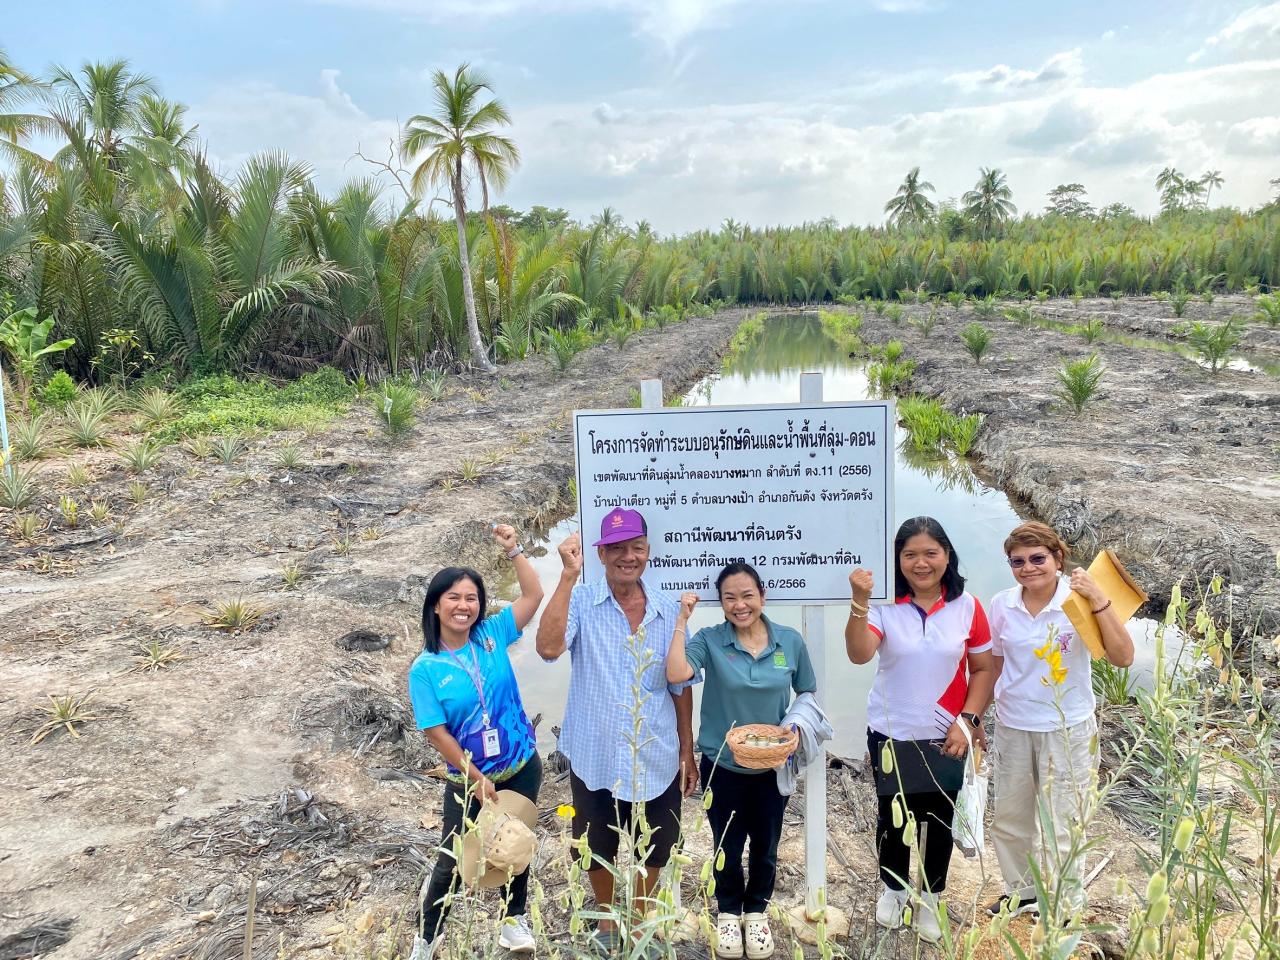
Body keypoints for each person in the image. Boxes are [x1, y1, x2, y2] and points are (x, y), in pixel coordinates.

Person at [535, 508, 699, 951]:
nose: (629, 556)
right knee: (595, 844)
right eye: (618, 548)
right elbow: (548, 647)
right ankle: (607, 922)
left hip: (656, 752)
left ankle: (641, 920)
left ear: (648, 551)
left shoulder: (668, 610)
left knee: (657, 846)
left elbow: (679, 685)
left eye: (637, 547)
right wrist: (567, 577)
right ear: (602, 553)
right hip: (596, 754)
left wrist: (687, 749)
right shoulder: (582, 601)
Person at [845, 516, 996, 944]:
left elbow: (983, 668)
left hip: (946, 731)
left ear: (947, 555)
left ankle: (932, 896)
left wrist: (968, 721)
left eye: (931, 552)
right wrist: (859, 600)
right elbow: (858, 654)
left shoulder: (969, 606)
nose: (921, 562)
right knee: (893, 817)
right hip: (890, 730)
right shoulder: (883, 604)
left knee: (939, 818)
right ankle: (894, 889)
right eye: (909, 554)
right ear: (897, 559)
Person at [407, 524, 544, 960]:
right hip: (468, 780)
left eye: (471, 598)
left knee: (516, 842)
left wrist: (515, 551)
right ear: (435, 606)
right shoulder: (425, 669)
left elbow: (533, 596)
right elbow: (435, 731)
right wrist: (474, 776)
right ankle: (427, 939)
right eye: (454, 598)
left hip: (521, 765)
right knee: (451, 860)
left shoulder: (491, 634)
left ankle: (513, 921)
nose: (463, 606)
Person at [666, 563, 816, 960]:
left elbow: (806, 692)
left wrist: (796, 728)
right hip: (723, 765)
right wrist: (682, 620)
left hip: (772, 764)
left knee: (766, 844)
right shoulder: (711, 640)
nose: (739, 604)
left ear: (762, 597)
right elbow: (676, 672)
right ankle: (729, 912)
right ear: (722, 603)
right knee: (726, 846)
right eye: (730, 597)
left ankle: (757, 912)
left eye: (747, 595)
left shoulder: (789, 642)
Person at [985, 521, 1134, 918]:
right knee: (1010, 819)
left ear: (1058, 559)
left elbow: (1123, 657)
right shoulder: (1002, 605)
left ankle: (1064, 904)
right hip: (1014, 726)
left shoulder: (1078, 599)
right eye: (1018, 561)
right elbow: (995, 666)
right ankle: (1022, 891)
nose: (1028, 568)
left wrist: (1099, 598)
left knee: (1063, 823)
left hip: (1067, 729)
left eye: (1038, 559)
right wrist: (974, 718)